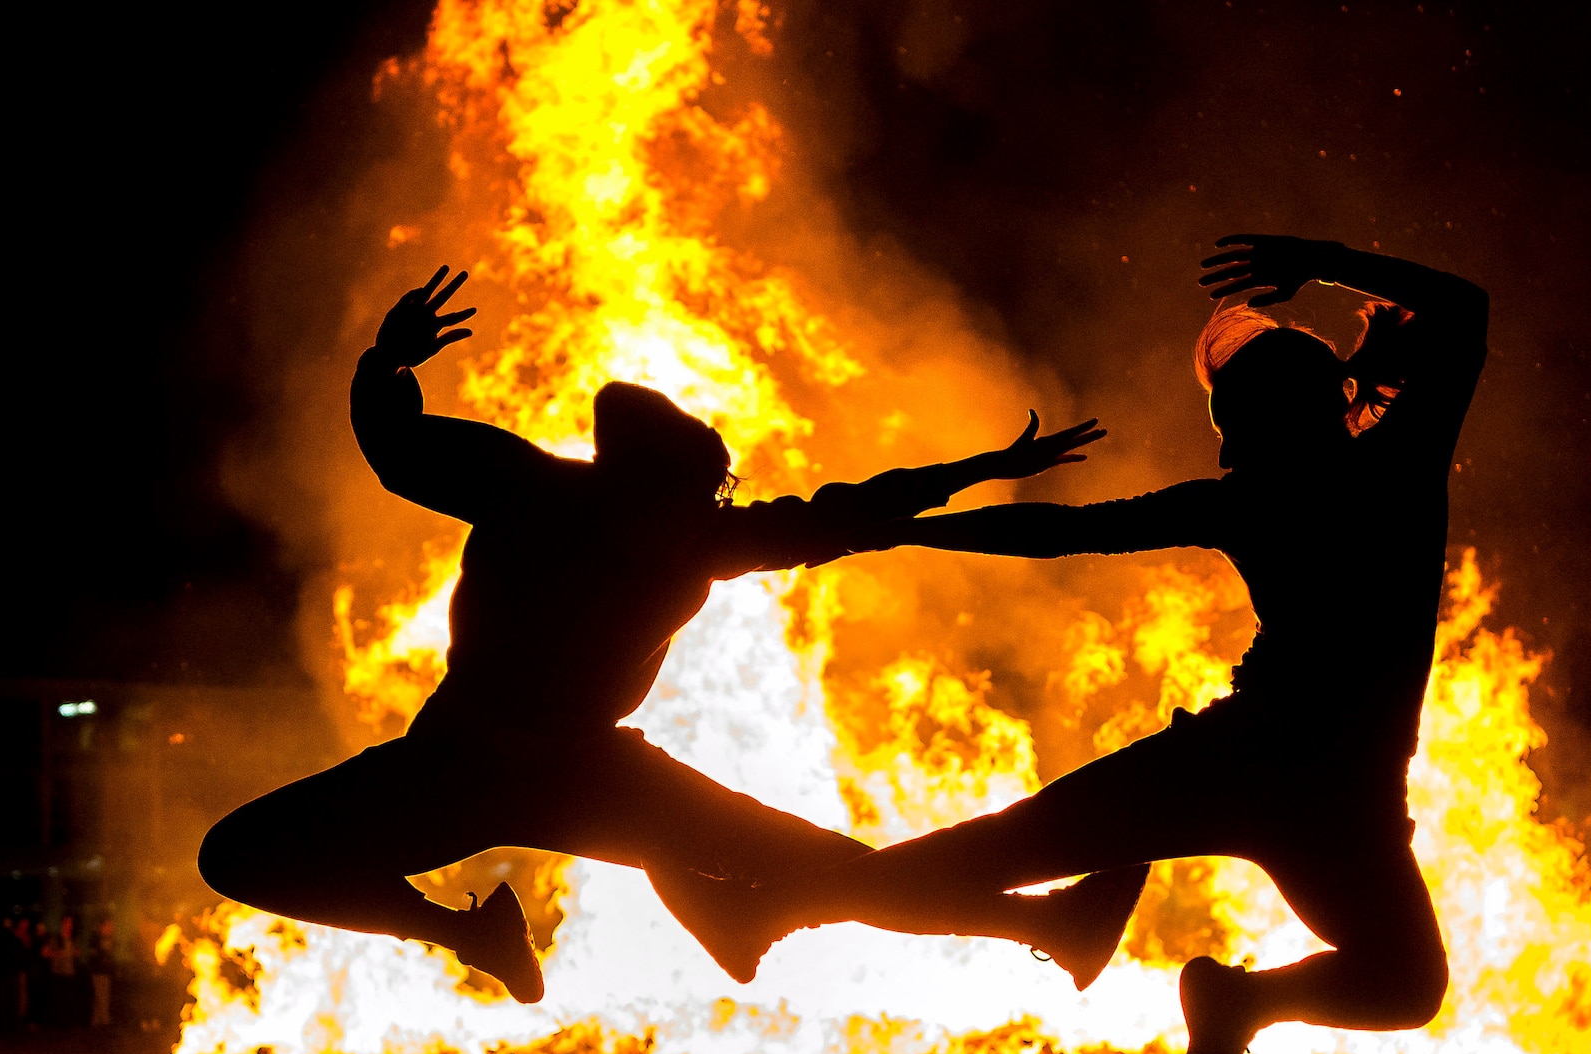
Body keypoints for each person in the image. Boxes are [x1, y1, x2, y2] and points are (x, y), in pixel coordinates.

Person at [198, 267, 1147, 1004]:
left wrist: (387, 363)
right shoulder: (619, 513)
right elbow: (848, 515)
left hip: (542, 770)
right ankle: (489, 934)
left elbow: (848, 513)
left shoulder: (562, 496)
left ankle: (1030, 927)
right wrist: (387, 363)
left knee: (827, 865)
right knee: (238, 853)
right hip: (497, 766)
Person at [731, 236, 1487, 1054]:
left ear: (1268, 421)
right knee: (1401, 983)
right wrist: (1312, 261)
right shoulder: (1392, 471)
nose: (1225, 441)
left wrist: (900, 533)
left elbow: (1066, 531)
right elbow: (1465, 311)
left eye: (1231, 421)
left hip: (1268, 769)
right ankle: (785, 904)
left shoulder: (1274, 493)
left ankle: (1233, 1005)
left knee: (1402, 980)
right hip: (1315, 782)